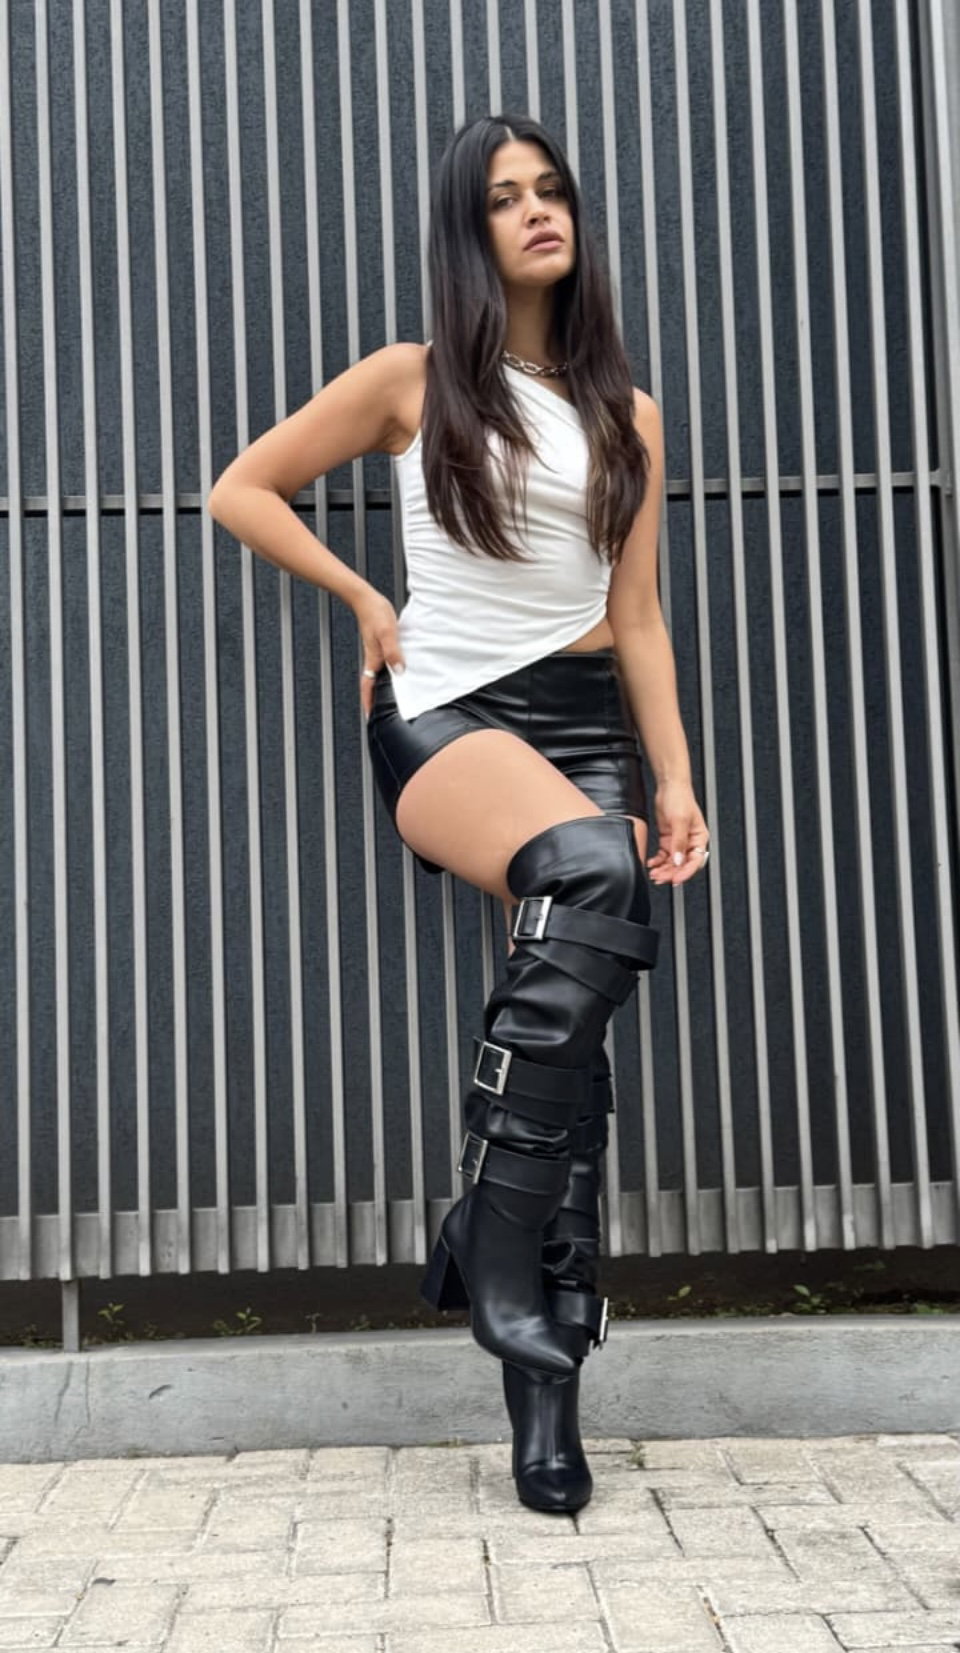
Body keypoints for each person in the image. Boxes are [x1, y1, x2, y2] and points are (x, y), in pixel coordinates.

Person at [208, 113, 710, 1514]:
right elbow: (242, 489)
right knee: (594, 874)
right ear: (467, 230)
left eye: (553, 191)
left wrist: (674, 777)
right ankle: (490, 1229)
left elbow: (637, 615)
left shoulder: (630, 412)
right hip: (445, 707)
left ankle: (542, 1396)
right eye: (505, 197)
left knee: (577, 1058)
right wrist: (363, 597)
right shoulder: (412, 379)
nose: (539, 211)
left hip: (583, 718)